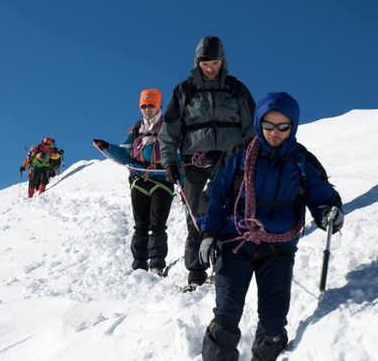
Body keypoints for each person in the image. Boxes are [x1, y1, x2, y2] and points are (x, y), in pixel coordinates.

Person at [197, 92, 344, 361]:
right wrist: (208, 233)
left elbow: (324, 198)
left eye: (282, 127)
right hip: (235, 243)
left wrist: (328, 215)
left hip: (278, 249)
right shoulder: (240, 154)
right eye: (268, 125)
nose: (274, 133)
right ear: (258, 123)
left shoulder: (301, 161)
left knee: (274, 324)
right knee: (226, 318)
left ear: (293, 126)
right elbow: (213, 197)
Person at [158, 35, 256, 291]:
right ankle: (196, 273)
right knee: (196, 217)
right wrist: (169, 162)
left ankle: (230, 267)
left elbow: (251, 129)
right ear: (197, 63)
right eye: (205, 64)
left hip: (230, 162)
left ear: (223, 62)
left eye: (214, 63)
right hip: (194, 164)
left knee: (231, 211)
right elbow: (169, 130)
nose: (210, 68)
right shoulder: (184, 90)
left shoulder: (237, 89)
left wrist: (250, 159)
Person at [94, 89, 174, 275]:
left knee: (158, 225)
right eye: (144, 106)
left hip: (162, 181)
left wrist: (182, 178)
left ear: (159, 105)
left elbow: (178, 154)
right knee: (140, 226)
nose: (147, 109)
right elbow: (124, 154)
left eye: (151, 105)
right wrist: (107, 147)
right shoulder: (137, 129)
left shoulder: (170, 127)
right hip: (139, 181)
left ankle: (157, 265)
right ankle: (139, 265)